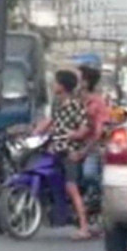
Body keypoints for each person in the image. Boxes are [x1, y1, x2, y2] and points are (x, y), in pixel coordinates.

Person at [34, 69, 92, 240]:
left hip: (70, 151)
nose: (53, 85)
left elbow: (85, 128)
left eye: (56, 82)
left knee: (71, 187)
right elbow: (49, 121)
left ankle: (84, 227)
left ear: (63, 86)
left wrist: (73, 134)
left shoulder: (76, 105)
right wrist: (34, 132)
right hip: (55, 148)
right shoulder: (57, 104)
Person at [77, 65, 110, 189]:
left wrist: (87, 148)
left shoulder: (98, 102)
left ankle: (95, 194)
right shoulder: (72, 99)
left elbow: (101, 129)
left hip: (91, 145)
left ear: (86, 82)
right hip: (71, 144)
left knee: (89, 174)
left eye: (79, 78)